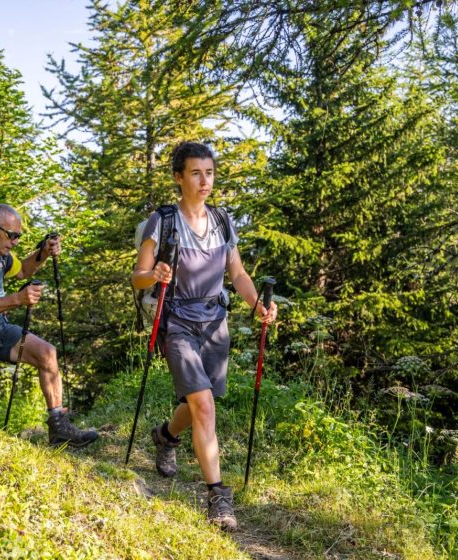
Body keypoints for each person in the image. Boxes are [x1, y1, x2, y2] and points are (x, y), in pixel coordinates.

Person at [131, 142, 278, 531]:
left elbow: (239, 274)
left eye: (209, 172)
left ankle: (165, 436)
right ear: (179, 177)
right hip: (175, 321)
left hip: (214, 321)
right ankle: (218, 498)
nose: (204, 180)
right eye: (196, 173)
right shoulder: (161, 221)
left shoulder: (223, 221)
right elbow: (138, 275)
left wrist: (255, 305)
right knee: (204, 405)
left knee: (202, 402)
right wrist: (156, 275)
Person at [0, 204, 98, 448]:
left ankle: (59, 428)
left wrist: (44, 252)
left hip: (0, 329)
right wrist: (17, 299)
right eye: (12, 235)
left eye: (19, 236)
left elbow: (24, 270)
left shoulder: (2, 256)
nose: (15, 241)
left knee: (47, 353)